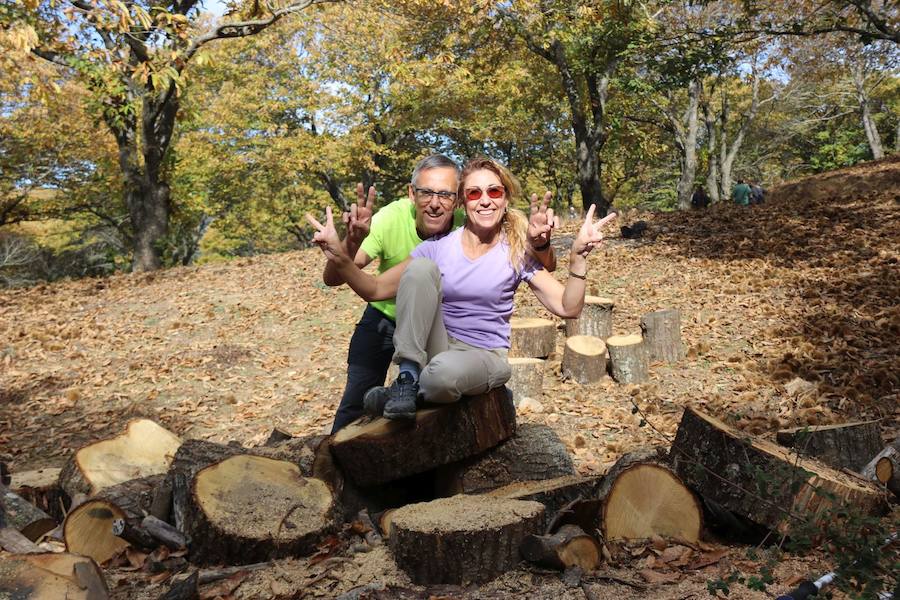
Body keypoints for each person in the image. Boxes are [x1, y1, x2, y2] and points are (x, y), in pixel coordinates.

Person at [308, 157, 615, 420]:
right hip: (437, 346)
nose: (485, 200)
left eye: (494, 191)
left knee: (442, 376)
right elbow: (375, 290)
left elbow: (568, 307)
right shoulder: (437, 247)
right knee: (419, 269)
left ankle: (399, 393)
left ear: (506, 199)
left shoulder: (515, 251)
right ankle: (408, 376)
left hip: (483, 355)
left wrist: (578, 258)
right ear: (463, 201)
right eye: (474, 193)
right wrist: (341, 255)